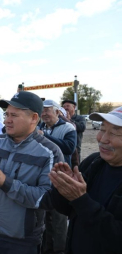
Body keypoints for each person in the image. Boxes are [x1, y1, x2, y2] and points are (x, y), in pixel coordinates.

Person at [0, 91, 64, 254]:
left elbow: (47, 199)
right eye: (7, 114)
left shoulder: (49, 152)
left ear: (34, 118)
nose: (7, 120)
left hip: (22, 241)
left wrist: (6, 182)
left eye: (14, 115)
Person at [39, 106, 122, 254]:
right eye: (102, 129)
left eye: (114, 132)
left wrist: (80, 199)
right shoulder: (94, 162)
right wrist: (63, 188)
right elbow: (68, 210)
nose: (102, 139)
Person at [38, 99, 77, 254]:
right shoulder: (40, 127)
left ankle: (60, 250)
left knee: (59, 218)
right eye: (42, 111)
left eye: (48, 111)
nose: (44, 114)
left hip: (61, 179)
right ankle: (46, 249)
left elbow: (69, 148)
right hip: (43, 178)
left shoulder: (68, 127)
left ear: (57, 112)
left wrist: (45, 137)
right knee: (44, 217)